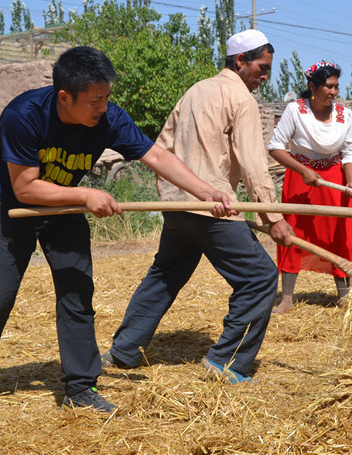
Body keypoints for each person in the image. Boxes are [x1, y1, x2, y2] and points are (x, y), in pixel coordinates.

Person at [0, 46, 234, 420]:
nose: (104, 107)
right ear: (65, 97)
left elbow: (156, 156)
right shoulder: (23, 115)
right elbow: (25, 188)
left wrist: (205, 192)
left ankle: (80, 387)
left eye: (106, 97)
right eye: (95, 100)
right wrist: (86, 195)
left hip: (63, 209)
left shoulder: (109, 118)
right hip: (9, 208)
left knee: (76, 292)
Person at [101, 29, 294, 384]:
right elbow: (253, 164)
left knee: (164, 276)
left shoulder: (195, 90)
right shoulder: (241, 99)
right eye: (262, 68)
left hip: (179, 207)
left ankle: (123, 350)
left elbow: (162, 145)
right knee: (260, 278)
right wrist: (274, 217)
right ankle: (226, 361)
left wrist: (170, 195)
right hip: (213, 207)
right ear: (241, 61)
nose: (265, 76)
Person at [267, 60, 352, 315]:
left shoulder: (344, 114)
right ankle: (287, 299)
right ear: (313, 86)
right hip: (300, 180)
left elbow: (350, 151)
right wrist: (303, 170)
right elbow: (275, 147)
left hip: (335, 181)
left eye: (336, 86)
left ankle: (344, 296)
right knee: (292, 235)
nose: (334, 92)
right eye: (329, 86)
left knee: (339, 235)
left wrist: (350, 179)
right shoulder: (295, 111)